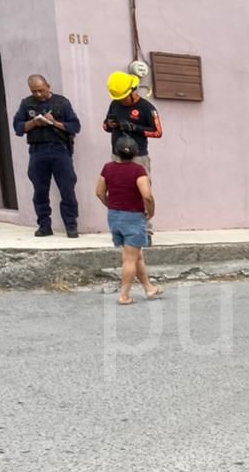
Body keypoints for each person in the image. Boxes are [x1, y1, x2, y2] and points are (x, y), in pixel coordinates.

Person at [11, 74, 82, 238]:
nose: (38, 94)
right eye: (34, 91)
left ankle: (71, 226)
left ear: (48, 86)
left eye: (41, 90)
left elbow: (75, 127)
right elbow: (18, 128)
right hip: (38, 150)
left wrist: (55, 122)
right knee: (40, 191)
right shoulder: (26, 103)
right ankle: (44, 225)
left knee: (67, 189)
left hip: (60, 150)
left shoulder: (62, 103)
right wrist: (34, 123)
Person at [96, 136, 160, 305]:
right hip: (132, 217)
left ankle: (148, 287)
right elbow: (147, 195)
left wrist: (110, 205)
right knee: (130, 259)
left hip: (114, 217)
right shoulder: (138, 170)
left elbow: (99, 192)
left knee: (136, 255)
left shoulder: (107, 168)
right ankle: (124, 295)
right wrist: (151, 211)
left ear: (116, 151)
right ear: (135, 152)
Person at [103, 71, 162, 228]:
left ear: (132, 91)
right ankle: (121, 226)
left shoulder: (146, 107)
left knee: (142, 192)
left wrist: (134, 128)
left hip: (138, 157)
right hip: (117, 155)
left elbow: (157, 132)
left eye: (123, 97)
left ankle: (145, 229)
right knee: (118, 190)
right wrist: (110, 125)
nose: (120, 101)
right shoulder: (115, 104)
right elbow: (105, 126)